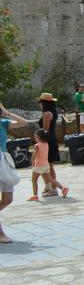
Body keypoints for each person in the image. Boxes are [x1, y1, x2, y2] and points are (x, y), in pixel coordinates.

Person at [0, 103, 28, 242]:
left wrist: (7, 112)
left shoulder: (3, 123)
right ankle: (0, 234)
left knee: (8, 199)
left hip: (3, 161)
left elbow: (23, 123)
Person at [38, 93, 68, 195]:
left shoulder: (47, 114)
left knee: (48, 165)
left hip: (47, 141)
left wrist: (40, 142)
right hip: (51, 140)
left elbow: (45, 131)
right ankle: (49, 186)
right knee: (47, 165)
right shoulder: (52, 112)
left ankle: (54, 188)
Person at [29, 129, 62, 200]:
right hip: (46, 165)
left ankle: (35, 195)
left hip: (38, 166)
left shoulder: (37, 145)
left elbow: (33, 156)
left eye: (36, 137)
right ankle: (63, 188)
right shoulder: (46, 144)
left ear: (39, 137)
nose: (35, 138)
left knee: (34, 180)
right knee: (51, 179)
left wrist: (32, 162)